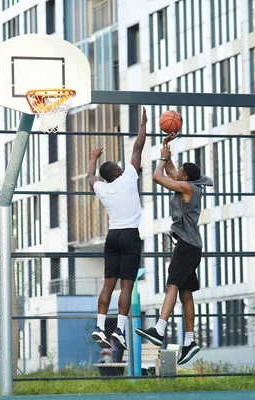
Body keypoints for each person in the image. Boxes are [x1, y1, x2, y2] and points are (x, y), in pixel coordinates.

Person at [136, 133, 213, 365]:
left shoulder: (187, 188)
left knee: (172, 285)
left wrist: (161, 160)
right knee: (185, 293)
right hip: (191, 246)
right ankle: (190, 341)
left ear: (185, 176)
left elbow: (159, 176)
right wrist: (166, 146)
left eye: (180, 170)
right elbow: (170, 171)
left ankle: (158, 330)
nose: (176, 171)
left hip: (186, 247)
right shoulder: (188, 186)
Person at [88, 107, 148, 351]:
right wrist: (143, 125)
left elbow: (90, 177)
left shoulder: (103, 189)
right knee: (127, 286)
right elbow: (137, 148)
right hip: (130, 236)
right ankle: (120, 332)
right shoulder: (129, 177)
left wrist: (93, 157)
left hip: (112, 237)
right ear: (116, 171)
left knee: (107, 285)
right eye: (118, 166)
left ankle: (100, 326)